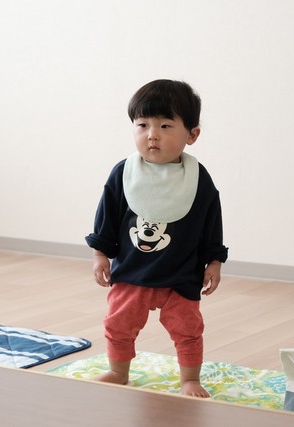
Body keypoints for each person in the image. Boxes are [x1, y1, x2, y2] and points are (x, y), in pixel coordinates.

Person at [85, 79, 228, 398]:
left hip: (181, 274)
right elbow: (107, 215)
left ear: (192, 134)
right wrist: (100, 254)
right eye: (142, 125)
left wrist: (214, 260)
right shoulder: (124, 173)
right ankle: (118, 371)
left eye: (165, 125)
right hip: (132, 273)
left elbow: (211, 222)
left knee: (188, 329)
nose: (152, 134)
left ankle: (190, 379)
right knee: (118, 323)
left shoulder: (197, 178)